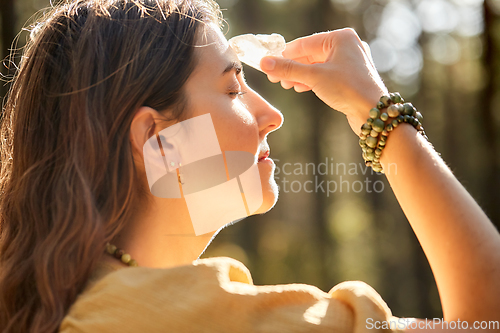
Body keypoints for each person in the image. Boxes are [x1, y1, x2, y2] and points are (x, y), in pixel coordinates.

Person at [0, 0, 498, 332]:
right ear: (161, 141)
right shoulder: (194, 319)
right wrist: (377, 112)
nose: (272, 115)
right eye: (234, 89)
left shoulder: (69, 304)